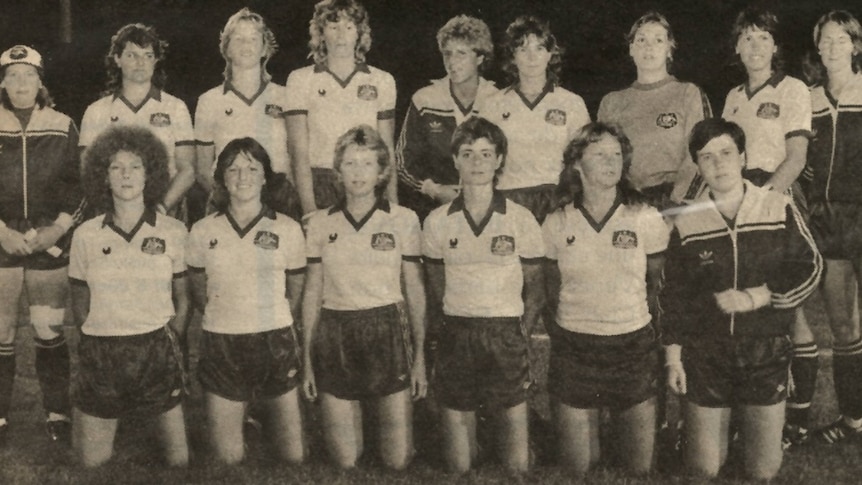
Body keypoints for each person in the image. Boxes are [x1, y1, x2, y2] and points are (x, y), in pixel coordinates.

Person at [663, 118, 821, 480]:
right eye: (706, 157)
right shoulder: (688, 221)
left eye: (726, 153)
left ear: (743, 156)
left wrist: (758, 296)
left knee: (762, 472)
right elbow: (674, 294)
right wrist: (674, 357)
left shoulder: (776, 206)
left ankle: (745, 431)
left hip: (764, 350)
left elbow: (810, 266)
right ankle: (706, 433)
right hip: (708, 352)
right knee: (703, 469)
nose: (718, 164)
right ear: (698, 167)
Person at [542, 122, 668, 475]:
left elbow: (659, 286)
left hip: (632, 347)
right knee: (578, 468)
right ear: (577, 164)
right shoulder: (557, 221)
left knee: (638, 469)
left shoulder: (644, 216)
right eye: (600, 155)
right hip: (576, 348)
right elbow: (551, 292)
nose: (611, 162)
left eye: (617, 155)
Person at [423, 117, 544, 473]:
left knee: (517, 467)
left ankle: (518, 436)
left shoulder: (520, 218)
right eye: (468, 154)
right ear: (455, 161)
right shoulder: (437, 221)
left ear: (499, 160)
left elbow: (536, 287)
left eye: (486, 153)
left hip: (505, 332)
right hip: (458, 332)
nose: (477, 162)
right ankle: (475, 434)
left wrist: (521, 329)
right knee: (460, 466)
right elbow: (437, 284)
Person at [302, 125, 426, 469]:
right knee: (344, 461)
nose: (358, 173)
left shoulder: (403, 220)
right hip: (335, 329)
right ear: (338, 170)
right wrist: (308, 361)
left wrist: (419, 359)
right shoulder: (320, 223)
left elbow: (414, 290)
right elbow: (312, 292)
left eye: (367, 164)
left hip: (386, 328)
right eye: (350, 164)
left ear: (382, 171)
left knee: (398, 461)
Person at [720, 6, 816, 450]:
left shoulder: (794, 89)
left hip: (775, 197)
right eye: (748, 38)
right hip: (739, 201)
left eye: (764, 38)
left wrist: (766, 200)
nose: (755, 46)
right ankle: (755, 415)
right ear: (737, 47)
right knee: (747, 309)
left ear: (775, 47)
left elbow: (795, 157)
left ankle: (797, 418)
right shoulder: (732, 97)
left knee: (786, 309)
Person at [70, 125, 189, 467]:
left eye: (135, 166)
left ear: (149, 174)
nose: (126, 175)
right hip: (103, 350)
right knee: (91, 465)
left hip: (155, 348)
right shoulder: (86, 235)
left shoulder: (173, 231)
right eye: (116, 167)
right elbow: (80, 303)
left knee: (178, 463)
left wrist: (170, 342)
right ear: (103, 176)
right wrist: (100, 337)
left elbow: (184, 299)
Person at [187, 137, 306, 464]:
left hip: (274, 341)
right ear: (221, 177)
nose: (242, 177)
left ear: (266, 176)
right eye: (233, 169)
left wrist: (270, 318)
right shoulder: (201, 230)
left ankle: (260, 415)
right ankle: (244, 418)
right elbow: (199, 291)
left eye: (252, 168)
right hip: (222, 341)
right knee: (227, 460)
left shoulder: (289, 229)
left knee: (294, 458)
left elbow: (295, 290)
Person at [0, 45, 80, 447]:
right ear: (2, 82)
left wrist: (57, 230)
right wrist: (2, 233)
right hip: (1, 239)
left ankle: (57, 412)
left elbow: (77, 186)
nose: (20, 83)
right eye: (12, 76)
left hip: (48, 239)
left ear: (40, 81)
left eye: (28, 75)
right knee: (0, 331)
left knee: (48, 328)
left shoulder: (63, 124)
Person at [804, 9, 862, 446]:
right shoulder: (806, 99)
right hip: (826, 219)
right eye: (826, 39)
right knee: (842, 325)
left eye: (841, 39)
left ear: (856, 45)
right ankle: (853, 419)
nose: (833, 46)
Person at [286, 0, 397, 215]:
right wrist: (309, 209)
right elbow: (298, 152)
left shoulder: (382, 80)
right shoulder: (300, 79)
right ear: (321, 33)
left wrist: (393, 204)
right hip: (320, 182)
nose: (340, 36)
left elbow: (387, 149)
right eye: (333, 27)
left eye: (348, 27)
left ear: (359, 33)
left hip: (366, 181)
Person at [79, 23, 195, 219]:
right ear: (117, 59)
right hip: (113, 211)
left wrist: (162, 207)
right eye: (132, 55)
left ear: (156, 60)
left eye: (148, 55)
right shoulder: (96, 111)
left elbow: (188, 170)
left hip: (165, 210)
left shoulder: (175, 107)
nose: (140, 63)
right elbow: (87, 171)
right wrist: (116, 210)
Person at [597, 11, 712, 209]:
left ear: (670, 49)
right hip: (627, 204)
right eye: (641, 40)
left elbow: (703, 155)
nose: (648, 47)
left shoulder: (688, 93)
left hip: (676, 202)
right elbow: (600, 162)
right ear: (631, 49)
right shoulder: (611, 102)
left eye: (658, 40)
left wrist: (676, 207)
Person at [483, 15, 590, 224]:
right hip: (509, 198)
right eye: (523, 49)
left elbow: (583, 161)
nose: (532, 58)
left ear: (550, 54)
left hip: (558, 201)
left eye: (539, 48)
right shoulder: (493, 104)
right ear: (512, 56)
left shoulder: (572, 103)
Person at [194, 8, 297, 223]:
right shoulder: (209, 100)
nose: (246, 45)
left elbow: (297, 156)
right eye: (238, 39)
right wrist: (232, 197)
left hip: (279, 198)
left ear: (264, 49)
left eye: (253, 38)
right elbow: (203, 168)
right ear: (227, 49)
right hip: (228, 197)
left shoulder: (286, 96)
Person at [396, 14, 498, 222]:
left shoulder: (498, 100)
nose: (452, 62)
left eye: (461, 53)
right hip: (433, 210)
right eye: (447, 54)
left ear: (480, 58)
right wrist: (434, 189)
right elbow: (402, 162)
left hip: (488, 209)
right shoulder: (425, 99)